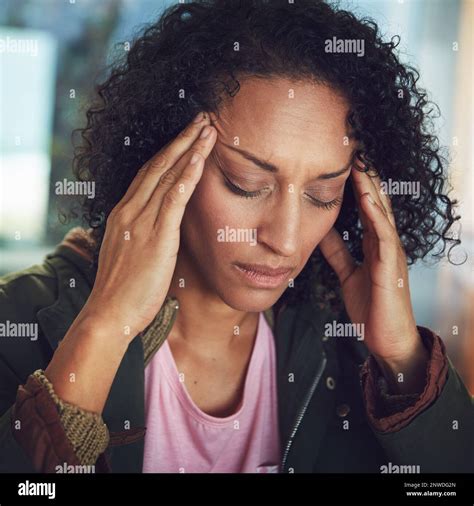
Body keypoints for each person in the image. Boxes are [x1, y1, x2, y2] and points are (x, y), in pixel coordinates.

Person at [0, 0, 472, 474]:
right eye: (246, 183)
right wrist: (104, 327)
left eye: (322, 194)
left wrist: (403, 359)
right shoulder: (16, 324)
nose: (285, 241)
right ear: (165, 159)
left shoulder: (348, 349)